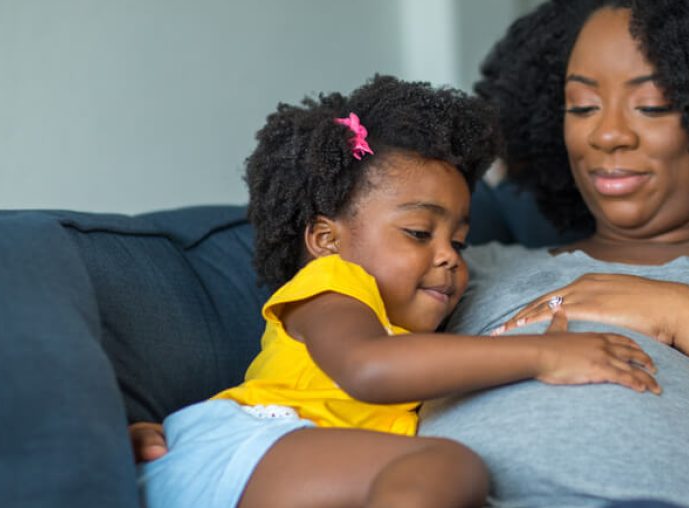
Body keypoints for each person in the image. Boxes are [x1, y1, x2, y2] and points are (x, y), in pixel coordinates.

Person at [135, 1, 689, 506]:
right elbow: (329, 369)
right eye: (579, 105)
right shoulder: (458, 265)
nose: (606, 133)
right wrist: (195, 438)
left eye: (655, 105)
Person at [135, 75, 660, 508]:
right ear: (326, 240)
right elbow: (370, 367)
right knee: (442, 465)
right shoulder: (333, 286)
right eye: (418, 233)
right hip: (245, 444)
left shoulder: (409, 332)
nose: (450, 256)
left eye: (459, 239)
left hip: (278, 465)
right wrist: (542, 354)